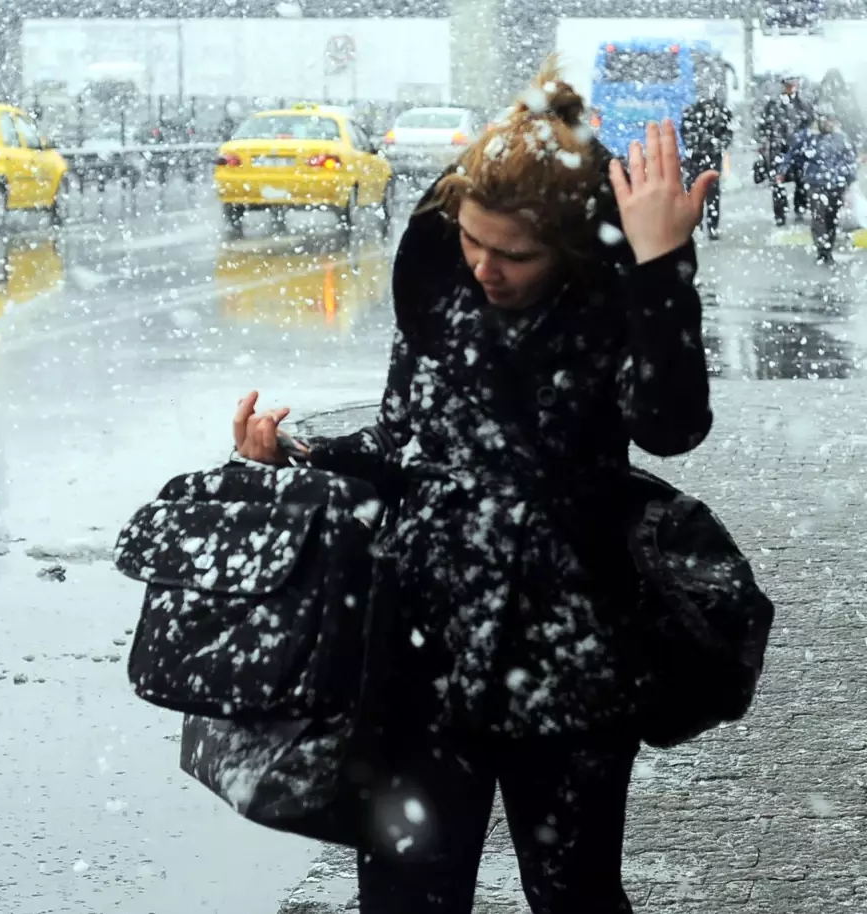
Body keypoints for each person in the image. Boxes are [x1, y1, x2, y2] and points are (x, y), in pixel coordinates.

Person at [231, 57, 714, 914]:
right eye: (471, 240)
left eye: (514, 254)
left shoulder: (612, 310)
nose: (485, 268)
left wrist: (662, 267)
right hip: (425, 645)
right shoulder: (440, 300)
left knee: (576, 894)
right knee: (406, 894)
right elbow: (401, 444)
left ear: (566, 251)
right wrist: (295, 456)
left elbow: (671, 426)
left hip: (574, 648)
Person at [780, 105, 858, 264]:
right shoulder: (807, 137)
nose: (828, 122)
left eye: (830, 119)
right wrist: (783, 170)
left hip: (836, 184)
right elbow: (793, 155)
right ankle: (822, 250)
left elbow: (849, 161)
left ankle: (828, 246)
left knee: (831, 217)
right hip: (816, 183)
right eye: (824, 119)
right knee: (818, 217)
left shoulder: (841, 139)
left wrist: (850, 181)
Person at [757, 75, 815, 225]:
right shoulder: (773, 105)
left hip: (799, 150)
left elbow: (810, 125)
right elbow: (763, 128)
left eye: (795, 83)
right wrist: (766, 145)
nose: (792, 87)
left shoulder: (805, 105)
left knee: (801, 181)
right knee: (778, 182)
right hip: (779, 150)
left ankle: (800, 210)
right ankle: (780, 215)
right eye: (789, 84)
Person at [681, 89, 734, 239]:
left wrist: (719, 144)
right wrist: (698, 142)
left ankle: (712, 227)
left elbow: (728, 133)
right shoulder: (691, 112)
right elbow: (685, 134)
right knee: (694, 192)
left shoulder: (721, 112)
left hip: (712, 158)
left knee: (712, 193)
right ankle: (697, 225)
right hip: (695, 159)